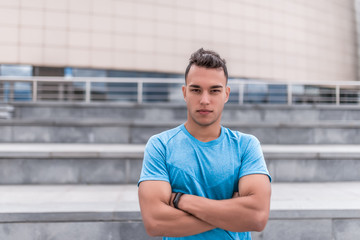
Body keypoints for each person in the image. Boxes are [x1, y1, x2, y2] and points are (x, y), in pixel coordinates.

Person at [138, 48, 271, 239]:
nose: (205, 100)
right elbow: (155, 222)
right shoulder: (160, 146)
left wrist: (182, 200)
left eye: (215, 90)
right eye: (196, 90)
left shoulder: (246, 146)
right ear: (185, 93)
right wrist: (232, 214)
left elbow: (256, 216)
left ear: (226, 94)